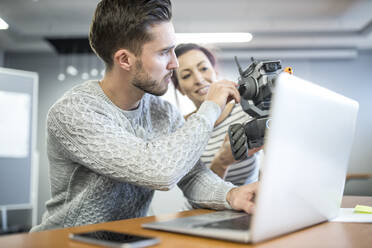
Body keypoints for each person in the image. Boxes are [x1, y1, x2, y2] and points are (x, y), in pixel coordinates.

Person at [31, 0, 257, 232]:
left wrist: (231, 194)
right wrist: (210, 108)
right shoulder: (74, 112)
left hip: (131, 237)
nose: (174, 63)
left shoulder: (164, 112)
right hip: (65, 241)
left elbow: (191, 175)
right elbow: (160, 172)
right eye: (163, 52)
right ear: (125, 60)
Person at [172, 43, 261, 186]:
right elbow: (195, 191)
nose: (199, 79)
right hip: (204, 208)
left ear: (215, 72)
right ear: (179, 88)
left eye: (204, 68)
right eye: (186, 75)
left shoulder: (245, 111)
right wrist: (222, 162)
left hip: (248, 205)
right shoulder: (180, 131)